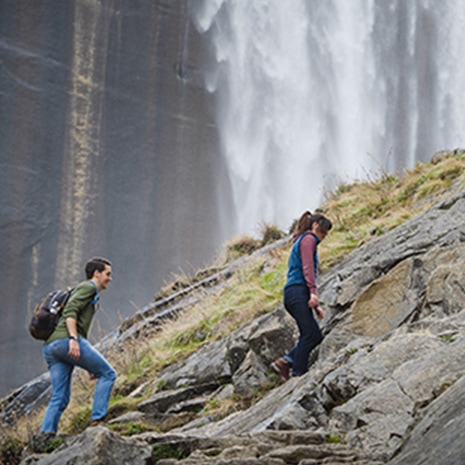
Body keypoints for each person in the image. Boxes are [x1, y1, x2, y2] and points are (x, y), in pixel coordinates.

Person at [38, 257, 117, 438]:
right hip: (66, 341)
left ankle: (45, 435)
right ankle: (97, 419)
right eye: (107, 274)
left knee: (60, 397)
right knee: (108, 374)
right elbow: (70, 312)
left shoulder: (88, 291)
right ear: (96, 274)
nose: (110, 278)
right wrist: (73, 339)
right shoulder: (89, 287)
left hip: (52, 347)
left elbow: (79, 321)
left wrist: (88, 364)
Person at [272, 211, 332, 380]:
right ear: (314, 225)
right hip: (297, 291)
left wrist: (316, 306)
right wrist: (313, 293)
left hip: (295, 293)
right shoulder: (308, 239)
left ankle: (287, 361)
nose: (325, 235)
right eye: (323, 231)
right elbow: (308, 268)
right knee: (309, 335)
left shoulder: (302, 239)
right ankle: (298, 373)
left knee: (314, 335)